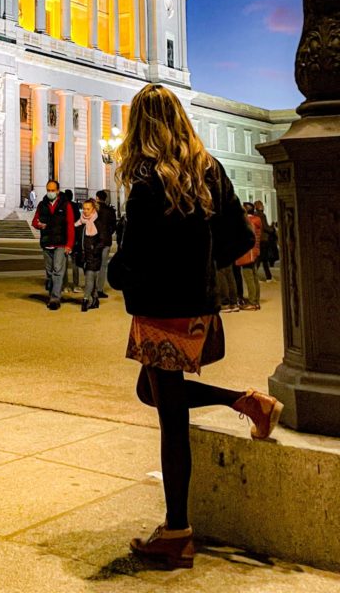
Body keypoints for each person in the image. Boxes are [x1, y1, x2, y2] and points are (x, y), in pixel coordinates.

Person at [107, 84, 282, 569]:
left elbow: (135, 255)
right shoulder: (209, 169)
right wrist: (202, 268)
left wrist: (115, 273)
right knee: (154, 393)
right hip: (197, 308)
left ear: (141, 125)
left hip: (161, 309)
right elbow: (241, 237)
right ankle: (246, 402)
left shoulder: (146, 179)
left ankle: (177, 529)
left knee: (170, 421)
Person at [31, 179, 75, 310]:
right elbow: (34, 221)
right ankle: (52, 294)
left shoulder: (65, 205)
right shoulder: (41, 204)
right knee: (49, 272)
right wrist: (38, 225)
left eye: (52, 190)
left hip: (60, 243)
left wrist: (69, 244)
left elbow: (70, 226)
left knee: (58, 271)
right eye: (48, 190)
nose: (50, 192)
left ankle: (55, 298)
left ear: (57, 190)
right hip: (46, 242)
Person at [79, 198, 108, 311]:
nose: (85, 211)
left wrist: (95, 250)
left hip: (94, 255)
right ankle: (95, 297)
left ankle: (86, 299)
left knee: (89, 277)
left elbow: (103, 240)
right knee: (89, 277)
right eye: (84, 209)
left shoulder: (98, 223)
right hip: (84, 254)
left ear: (93, 209)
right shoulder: (82, 222)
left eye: (88, 209)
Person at [238, 203, 262, 310]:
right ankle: (256, 300)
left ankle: (252, 302)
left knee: (249, 277)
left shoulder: (247, 222)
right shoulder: (257, 220)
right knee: (254, 276)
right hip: (255, 251)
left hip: (247, 252)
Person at [95, 189, 117, 299]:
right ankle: (99, 289)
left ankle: (92, 287)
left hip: (95, 240)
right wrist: (108, 233)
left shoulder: (94, 209)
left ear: (97, 198)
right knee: (103, 265)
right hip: (106, 240)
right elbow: (114, 225)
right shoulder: (110, 210)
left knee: (93, 264)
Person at [253, 200, 274, 281]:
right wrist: (271, 229)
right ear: (260, 207)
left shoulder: (254, 215)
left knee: (262, 258)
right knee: (262, 258)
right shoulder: (262, 215)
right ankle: (267, 277)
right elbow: (265, 227)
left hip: (257, 238)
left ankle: (268, 276)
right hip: (263, 239)